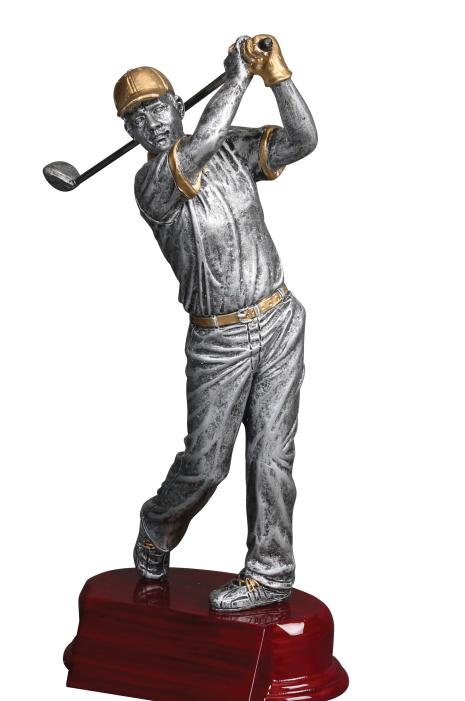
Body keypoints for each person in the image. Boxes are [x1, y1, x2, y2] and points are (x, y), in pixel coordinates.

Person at [114, 34, 317, 611]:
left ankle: (270, 573)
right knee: (206, 466)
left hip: (278, 320)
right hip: (218, 339)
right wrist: (235, 77)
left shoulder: (230, 146)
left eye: (157, 107)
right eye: (136, 118)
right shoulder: (151, 183)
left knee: (272, 457)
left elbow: (304, 139)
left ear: (179, 104)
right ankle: (157, 526)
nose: (151, 122)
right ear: (129, 133)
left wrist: (276, 74)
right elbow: (197, 147)